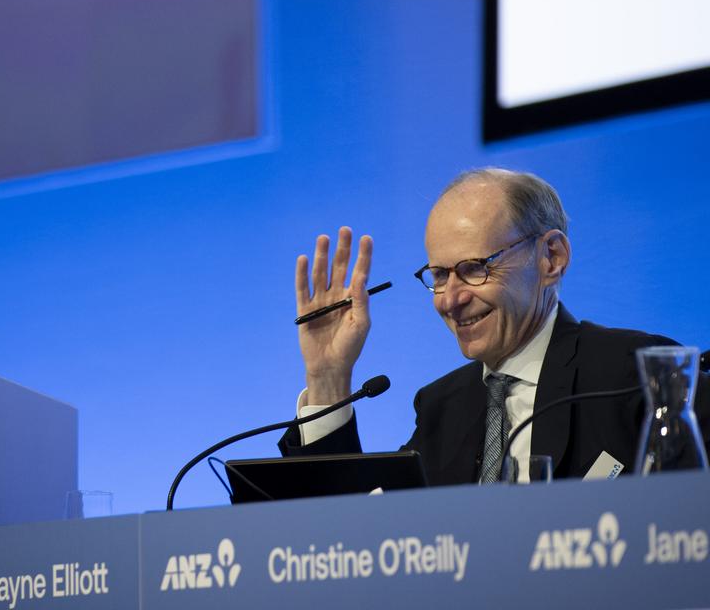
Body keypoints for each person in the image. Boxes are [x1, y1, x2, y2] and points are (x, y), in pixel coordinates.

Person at [280, 167, 708, 484]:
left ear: (551, 258)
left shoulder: (637, 377)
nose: (451, 299)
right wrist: (328, 378)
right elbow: (352, 539)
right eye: (440, 275)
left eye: (473, 268)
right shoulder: (441, 409)